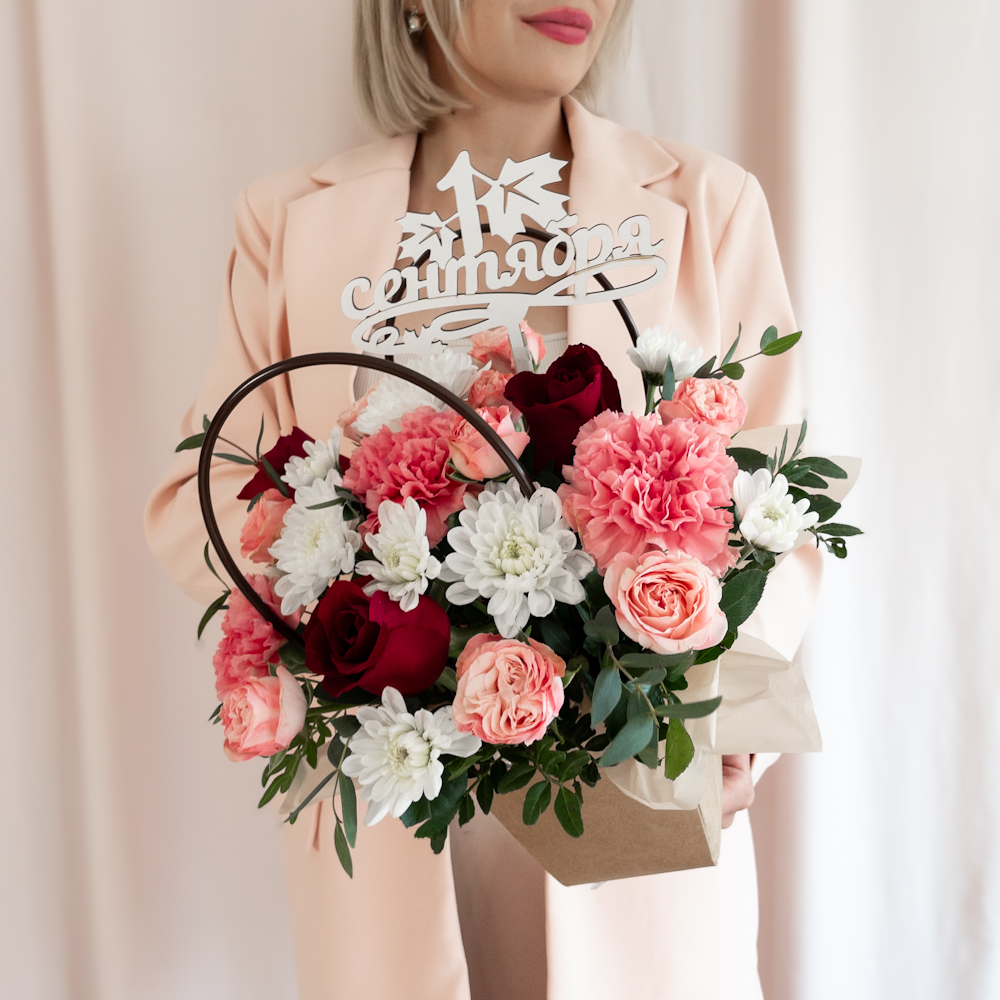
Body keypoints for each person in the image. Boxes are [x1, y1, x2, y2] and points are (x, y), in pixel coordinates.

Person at [146, 2, 821, 997]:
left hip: (627, 795)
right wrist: (345, 579)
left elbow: (775, 500)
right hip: (395, 800)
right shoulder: (289, 221)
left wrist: (723, 717)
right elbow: (199, 494)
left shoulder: (707, 204)